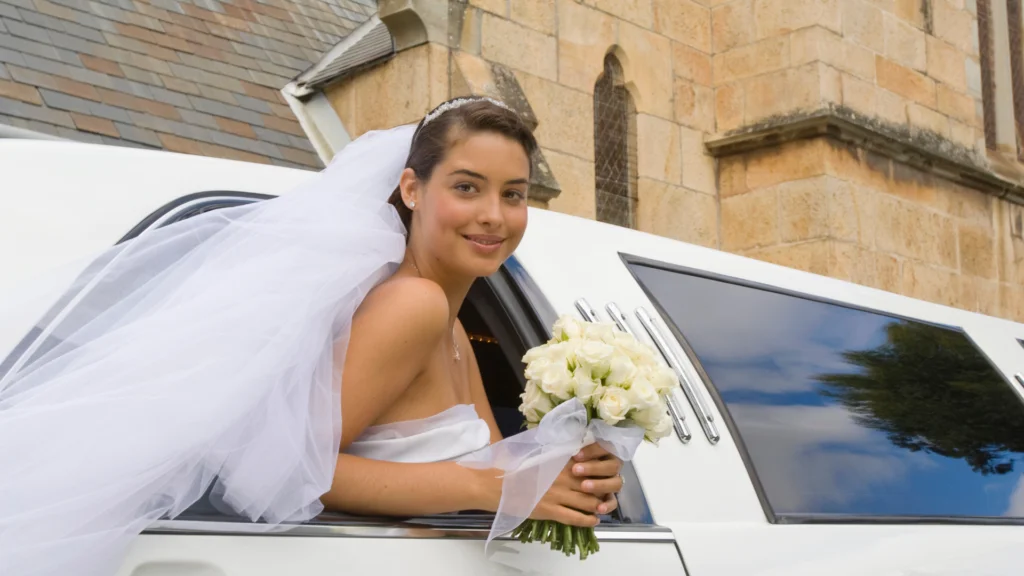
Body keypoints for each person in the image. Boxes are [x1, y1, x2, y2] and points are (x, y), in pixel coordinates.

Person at [0, 96, 620, 576]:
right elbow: (297, 472)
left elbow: (489, 462)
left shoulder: (452, 323)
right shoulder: (415, 304)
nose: (494, 214)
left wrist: (573, 465)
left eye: (513, 194)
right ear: (412, 190)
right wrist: (487, 487)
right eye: (467, 187)